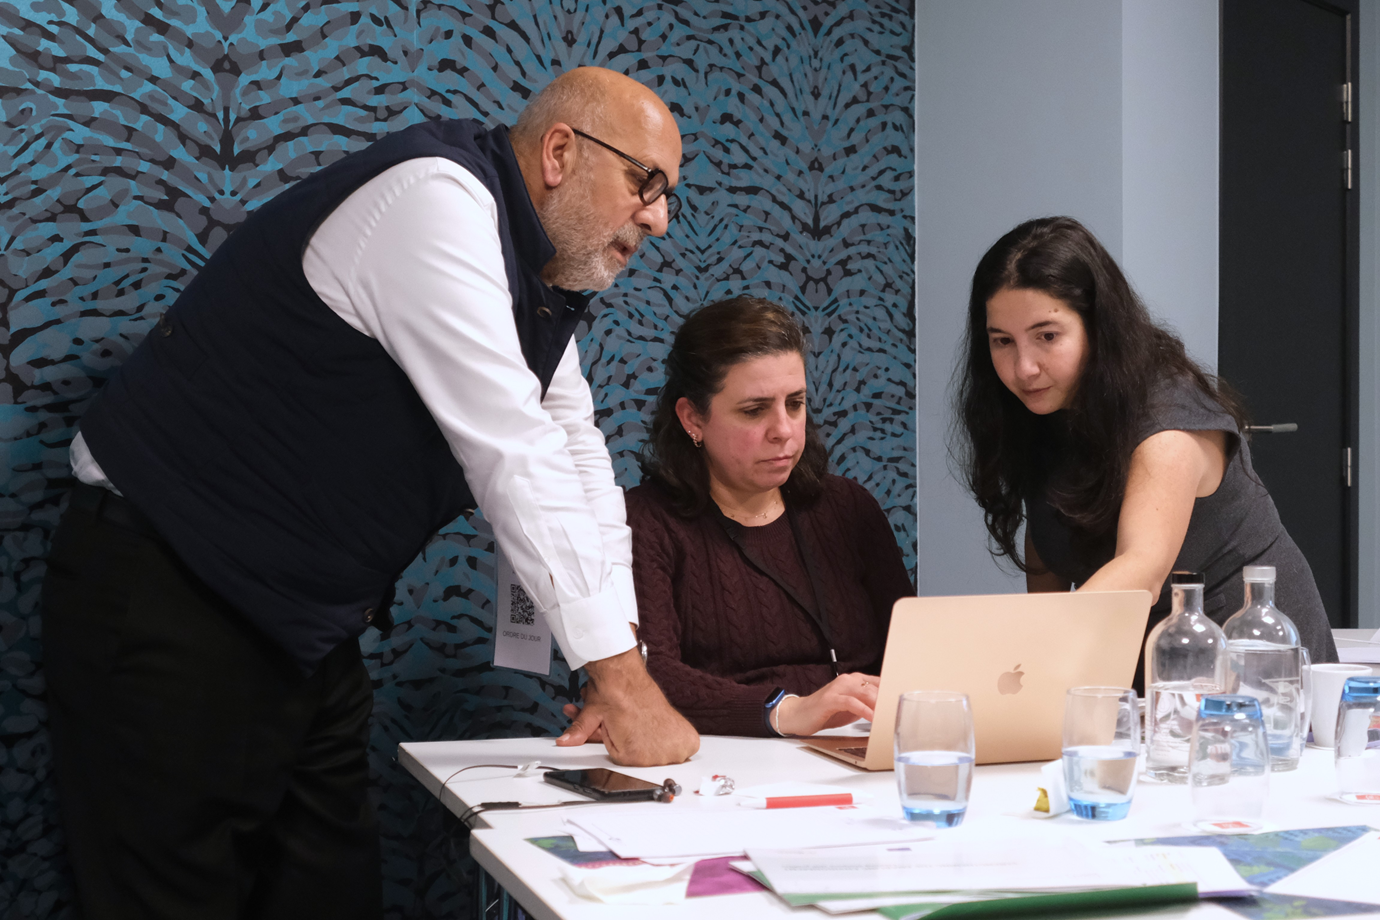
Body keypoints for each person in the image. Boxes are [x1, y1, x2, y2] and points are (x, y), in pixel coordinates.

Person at [41, 67, 698, 919]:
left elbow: (577, 466)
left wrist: (627, 668)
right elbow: (511, 450)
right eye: (646, 183)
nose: (659, 216)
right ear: (561, 153)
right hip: (166, 596)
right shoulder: (436, 203)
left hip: (303, 629)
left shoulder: (536, 290)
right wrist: (618, 680)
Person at [954, 216, 1338, 682]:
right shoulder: (1044, 410)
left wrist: (1025, 659)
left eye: (1047, 336)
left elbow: (1141, 568)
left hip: (1256, 676)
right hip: (1149, 672)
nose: (1024, 367)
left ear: (1099, 327)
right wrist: (1038, 685)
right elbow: (1050, 541)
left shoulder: (1169, 419)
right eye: (1002, 342)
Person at [605, 296, 914, 738]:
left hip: (860, 749)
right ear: (693, 417)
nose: (784, 430)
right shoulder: (648, 522)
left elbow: (911, 651)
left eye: (795, 403)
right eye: (754, 411)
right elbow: (648, 675)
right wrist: (784, 711)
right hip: (725, 765)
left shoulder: (848, 508)